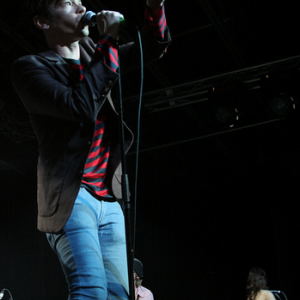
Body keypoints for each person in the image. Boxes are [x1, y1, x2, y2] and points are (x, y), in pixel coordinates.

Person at [11, 0, 170, 299]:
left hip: (110, 199)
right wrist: (107, 41)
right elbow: (81, 106)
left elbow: (152, 47)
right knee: (91, 290)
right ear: (42, 22)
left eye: (79, 0)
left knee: (121, 294)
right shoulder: (30, 69)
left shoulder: (96, 56)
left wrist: (154, 7)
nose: (80, 5)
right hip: (72, 195)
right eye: (67, 3)